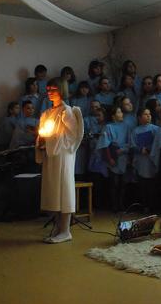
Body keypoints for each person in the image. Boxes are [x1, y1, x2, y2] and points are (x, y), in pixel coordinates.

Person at [35, 78, 84, 244]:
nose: (50, 92)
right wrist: (41, 142)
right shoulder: (47, 113)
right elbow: (43, 132)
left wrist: (50, 140)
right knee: (54, 191)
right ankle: (58, 228)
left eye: (53, 89)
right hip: (51, 156)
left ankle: (66, 230)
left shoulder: (66, 111)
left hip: (63, 156)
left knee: (64, 190)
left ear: (62, 90)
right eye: (48, 89)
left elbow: (72, 136)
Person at [96, 104, 130, 212]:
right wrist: (109, 158)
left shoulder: (126, 126)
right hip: (113, 158)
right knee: (114, 183)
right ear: (113, 116)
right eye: (119, 112)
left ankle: (121, 204)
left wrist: (123, 150)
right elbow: (104, 144)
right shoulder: (108, 127)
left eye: (121, 112)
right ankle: (114, 205)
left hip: (123, 157)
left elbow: (129, 142)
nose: (121, 114)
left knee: (123, 183)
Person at [129, 108, 160, 213]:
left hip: (153, 161)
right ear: (139, 117)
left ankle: (153, 207)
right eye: (145, 114)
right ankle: (144, 206)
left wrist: (150, 149)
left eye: (149, 114)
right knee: (143, 185)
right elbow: (132, 146)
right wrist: (141, 149)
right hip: (141, 161)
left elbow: (159, 144)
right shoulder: (135, 131)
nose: (148, 116)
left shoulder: (156, 129)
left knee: (153, 185)